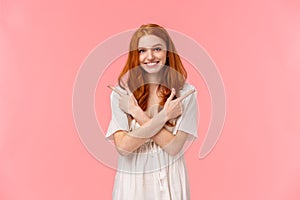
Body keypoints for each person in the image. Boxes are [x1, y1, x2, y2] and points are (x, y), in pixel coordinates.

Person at [106, 23, 198, 200]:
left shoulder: (185, 94)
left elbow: (173, 147)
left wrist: (136, 112)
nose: (150, 57)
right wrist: (165, 116)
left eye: (157, 49)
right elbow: (124, 147)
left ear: (168, 52)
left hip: (170, 179)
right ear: (135, 55)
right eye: (142, 51)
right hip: (132, 181)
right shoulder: (122, 94)